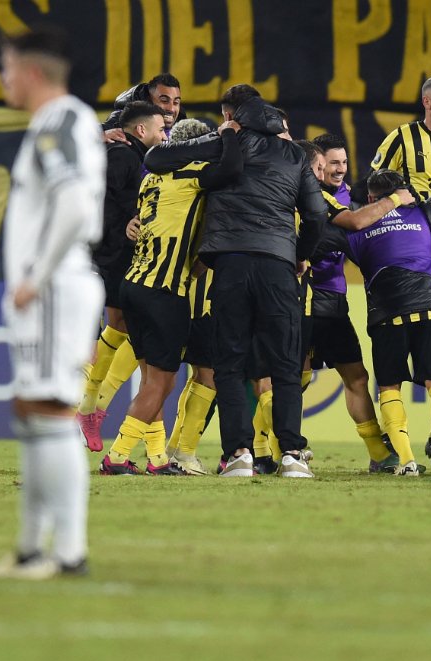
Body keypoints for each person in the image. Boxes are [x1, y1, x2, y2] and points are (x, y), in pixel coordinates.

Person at [146, 84, 326, 478]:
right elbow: (315, 216)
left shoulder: (227, 139)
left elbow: (157, 157)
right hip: (278, 263)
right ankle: (292, 455)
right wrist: (300, 255)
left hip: (229, 263)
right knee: (284, 363)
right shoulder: (295, 154)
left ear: (231, 115)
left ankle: (239, 454)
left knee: (228, 361)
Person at [0, 27, 106, 579]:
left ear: (32, 72)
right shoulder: (53, 122)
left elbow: (76, 203)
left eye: (7, 67)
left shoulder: (60, 120)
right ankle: (33, 546)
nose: (3, 77)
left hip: (55, 287)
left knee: (54, 412)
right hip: (50, 288)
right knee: (33, 411)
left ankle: (69, 553)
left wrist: (37, 274)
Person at [312, 169, 431, 476]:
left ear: (372, 198)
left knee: (390, 387)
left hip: (386, 313)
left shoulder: (358, 226)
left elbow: (316, 242)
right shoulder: (426, 213)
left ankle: (406, 461)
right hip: (429, 306)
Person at [100, 117, 243, 476]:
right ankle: (116, 457)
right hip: (164, 291)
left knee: (152, 381)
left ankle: (158, 459)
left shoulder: (151, 178)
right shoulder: (195, 176)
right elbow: (228, 171)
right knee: (162, 383)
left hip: (132, 284)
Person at [76, 101, 167, 452]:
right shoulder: (124, 156)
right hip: (109, 258)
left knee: (125, 332)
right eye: (161, 125)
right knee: (133, 340)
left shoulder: (134, 155)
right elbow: (96, 200)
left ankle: (90, 408)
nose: (166, 130)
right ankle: (82, 409)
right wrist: (124, 225)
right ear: (141, 129)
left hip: (120, 258)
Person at [308, 133, 397, 472]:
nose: (340, 169)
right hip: (301, 298)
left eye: (344, 162)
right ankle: (270, 450)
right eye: (333, 163)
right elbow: (356, 227)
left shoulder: (349, 196)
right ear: (317, 166)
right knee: (292, 380)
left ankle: (378, 453)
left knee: (356, 377)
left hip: (333, 300)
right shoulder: (306, 195)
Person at [103, 73, 183, 133]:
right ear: (148, 100)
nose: (171, 109)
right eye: (164, 101)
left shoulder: (183, 126)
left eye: (176, 102)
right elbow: (92, 134)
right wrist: (103, 135)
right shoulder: (124, 120)